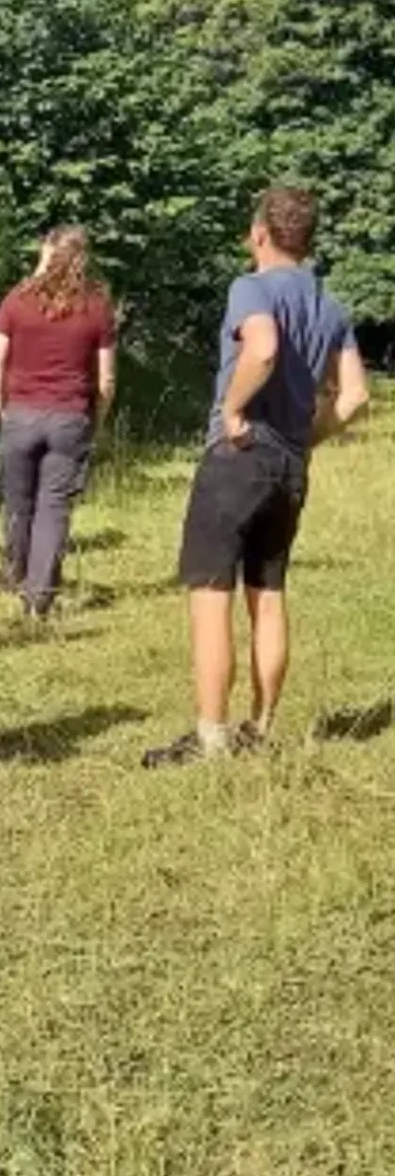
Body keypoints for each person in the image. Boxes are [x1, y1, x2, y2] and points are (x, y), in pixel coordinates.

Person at [144, 188, 369, 767]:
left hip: (239, 458)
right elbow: (355, 397)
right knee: (267, 594)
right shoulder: (331, 305)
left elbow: (262, 348)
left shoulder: (252, 287)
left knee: (210, 593)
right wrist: (306, 439)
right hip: (290, 464)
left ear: (261, 234)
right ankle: (261, 726)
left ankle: (212, 736)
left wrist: (235, 411)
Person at [0, 227, 118, 617]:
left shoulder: (17, 300)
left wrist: (4, 409)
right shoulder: (97, 307)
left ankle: (14, 572)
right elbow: (106, 381)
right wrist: (98, 419)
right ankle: (39, 594)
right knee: (54, 506)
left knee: (17, 501)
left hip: (21, 414)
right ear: (82, 259)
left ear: (46, 254)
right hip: (70, 417)